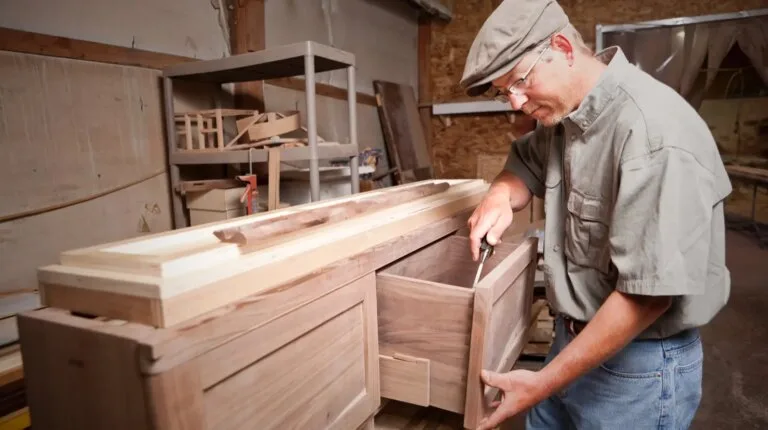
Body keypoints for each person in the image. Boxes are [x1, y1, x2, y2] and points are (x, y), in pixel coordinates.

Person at [459, 1, 733, 429]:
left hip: (637, 369)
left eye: (519, 81)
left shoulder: (653, 135)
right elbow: (524, 164)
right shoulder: (565, 114)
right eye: (503, 91)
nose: (515, 102)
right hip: (570, 340)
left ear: (563, 48)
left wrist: (540, 384)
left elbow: (645, 297)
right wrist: (500, 194)